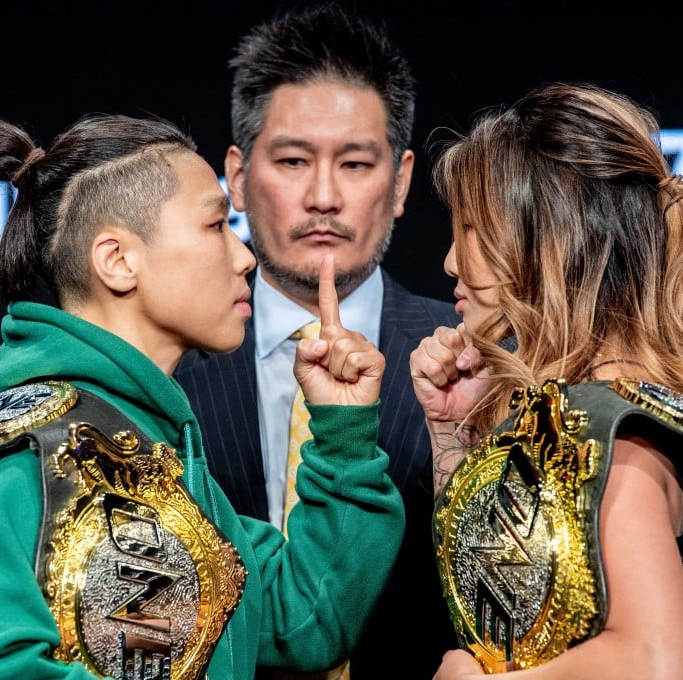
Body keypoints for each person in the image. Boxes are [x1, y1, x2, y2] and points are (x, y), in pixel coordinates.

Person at [0, 113, 407, 680]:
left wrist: (343, 430)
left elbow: (303, 620)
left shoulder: (155, 449)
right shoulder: (38, 459)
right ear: (118, 261)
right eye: (216, 226)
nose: (243, 257)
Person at [409, 82, 683, 679]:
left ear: (548, 244)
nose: (452, 261)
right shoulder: (586, 412)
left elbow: (662, 663)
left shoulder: (615, 429)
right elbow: (503, 609)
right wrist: (451, 433)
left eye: (472, 230)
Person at [173, 4, 459, 678]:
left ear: (401, 182)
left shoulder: (472, 358)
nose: (324, 196)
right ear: (237, 177)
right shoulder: (168, 370)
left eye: (356, 164)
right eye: (294, 160)